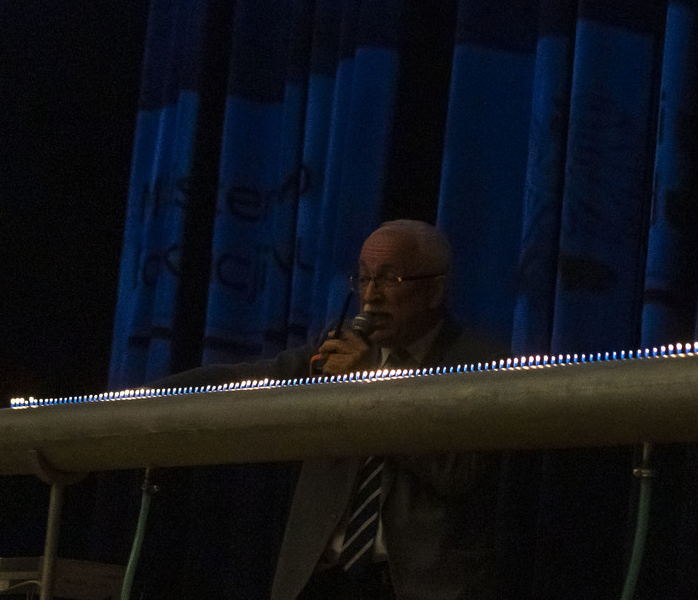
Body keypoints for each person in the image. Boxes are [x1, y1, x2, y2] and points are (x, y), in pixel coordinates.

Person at [164, 219, 504, 600]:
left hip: (417, 586)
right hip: (321, 581)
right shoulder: (337, 348)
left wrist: (369, 385)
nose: (371, 295)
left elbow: (457, 471)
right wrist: (144, 397)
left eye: (390, 279)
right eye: (364, 278)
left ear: (435, 290)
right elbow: (249, 379)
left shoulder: (477, 364)